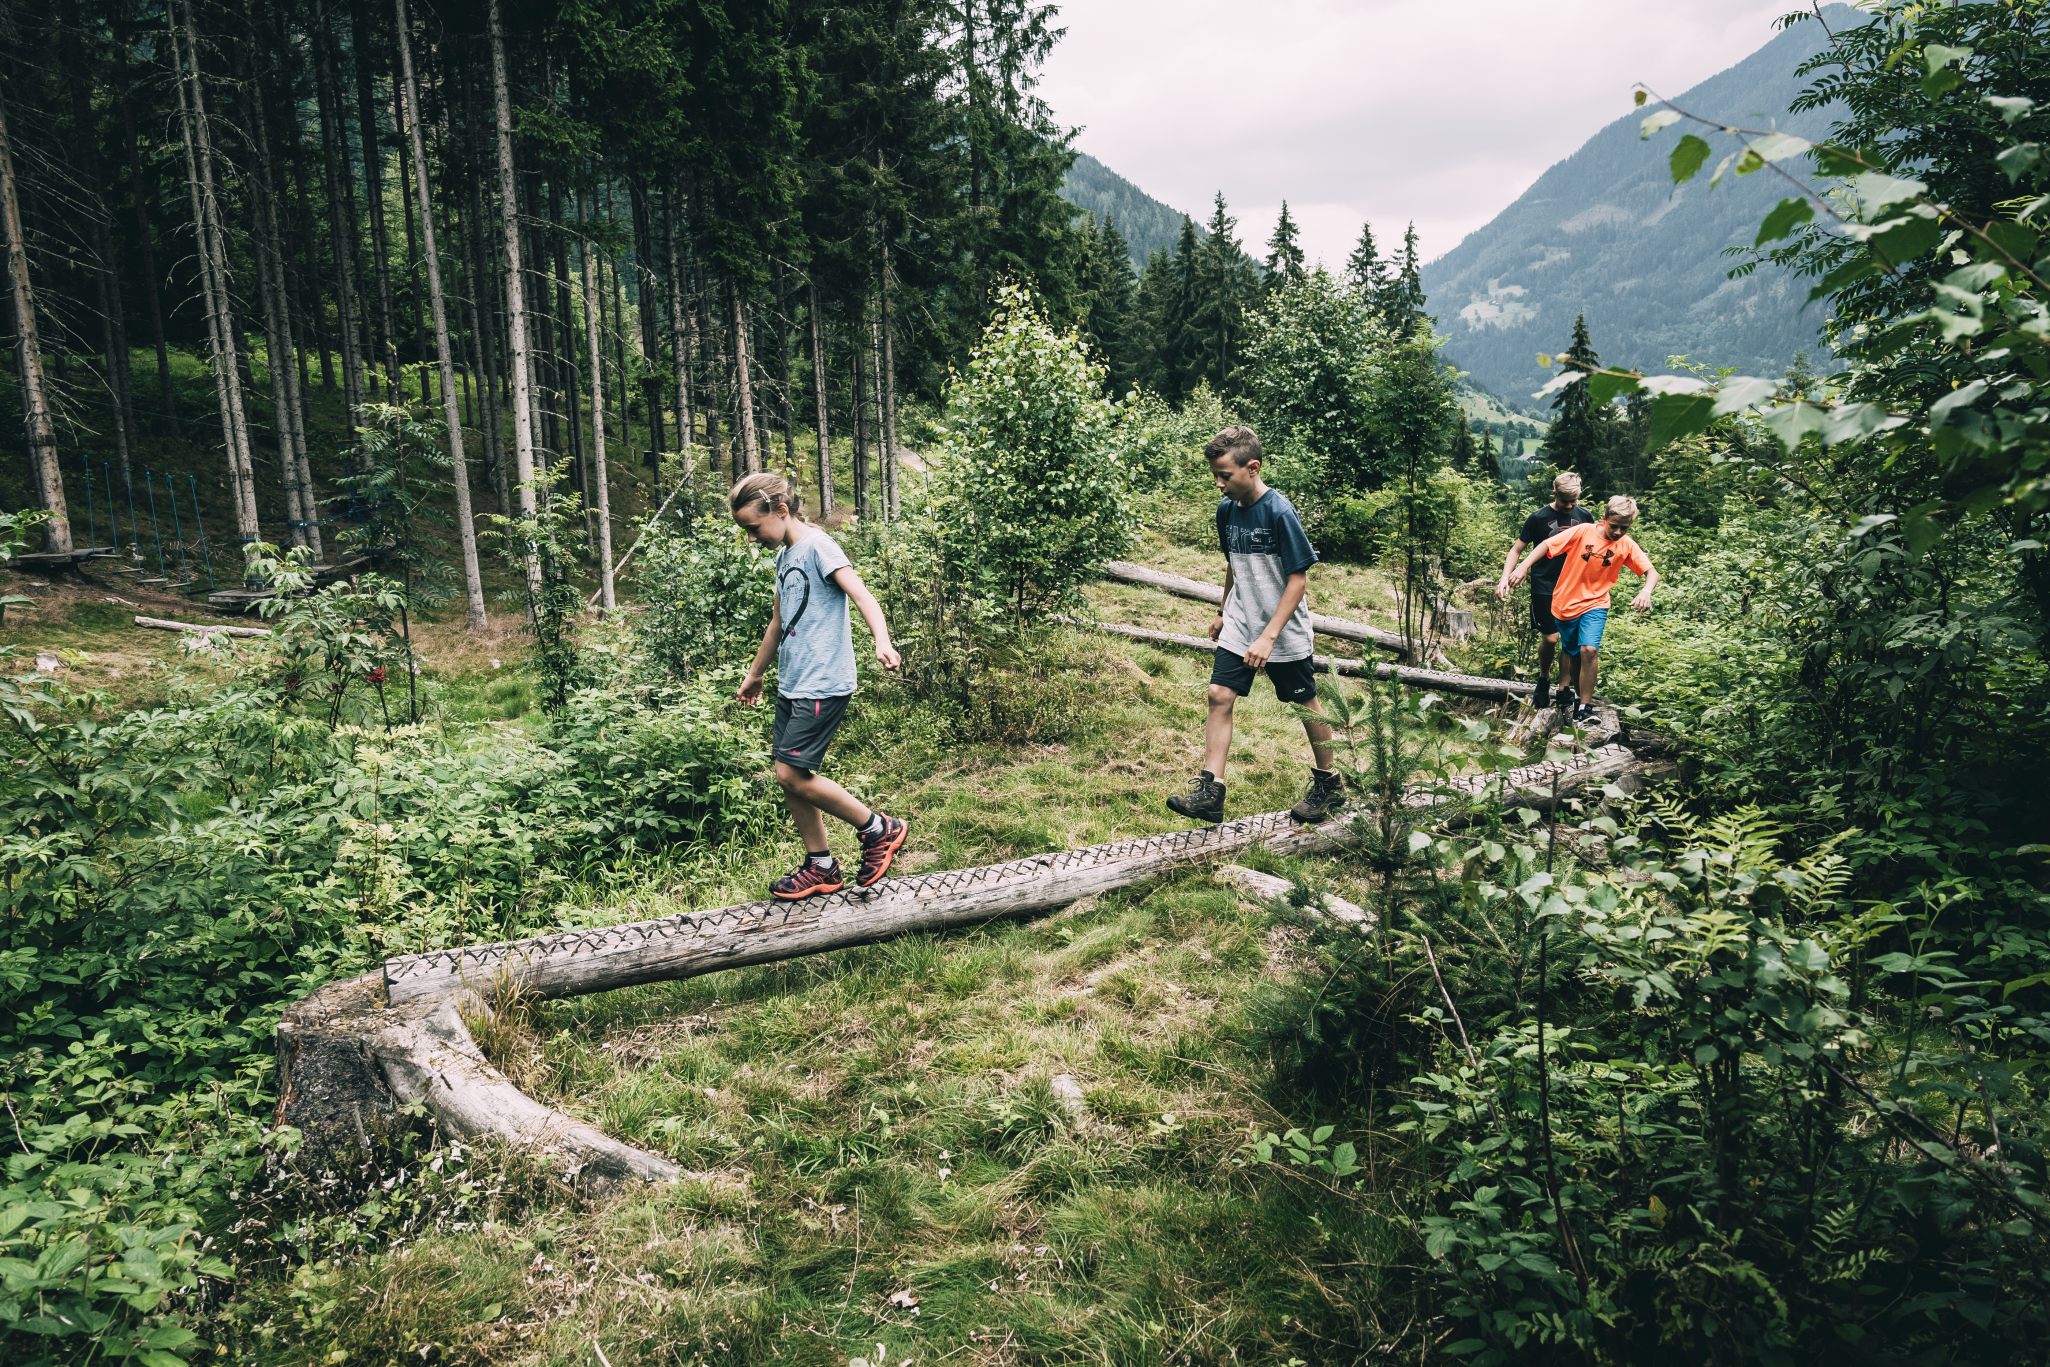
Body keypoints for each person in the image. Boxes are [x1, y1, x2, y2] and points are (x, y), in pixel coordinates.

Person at [731, 472, 909, 899]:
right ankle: (821, 865)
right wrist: (755, 674)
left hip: (823, 682)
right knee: (792, 773)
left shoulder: (818, 547)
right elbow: (778, 623)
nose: (753, 538)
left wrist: (882, 641)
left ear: (781, 510)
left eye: (754, 528)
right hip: (794, 683)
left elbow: (862, 594)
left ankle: (878, 828)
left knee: (790, 772)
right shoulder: (785, 556)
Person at [1166, 425, 1343, 826]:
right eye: (1215, 475)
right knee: (1218, 694)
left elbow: (1298, 579)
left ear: (1253, 468)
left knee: (1304, 702)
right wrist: (1224, 609)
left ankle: (1330, 785)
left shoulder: (1279, 511)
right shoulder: (1226, 511)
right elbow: (1235, 564)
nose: (1218, 484)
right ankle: (1211, 791)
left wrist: (1268, 637)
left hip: (1283, 630)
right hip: (1242, 622)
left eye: (1224, 475)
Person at [1505, 494, 1660, 724]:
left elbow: (1652, 573)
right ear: (1603, 518)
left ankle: (1585, 707)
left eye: (1624, 528)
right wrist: (1523, 567)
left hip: (1596, 603)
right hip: (1566, 603)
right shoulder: (1583, 531)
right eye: (1614, 526)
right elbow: (1547, 544)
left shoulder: (1626, 545)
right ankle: (1576, 696)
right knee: (1573, 653)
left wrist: (1646, 591)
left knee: (1589, 650)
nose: (1618, 532)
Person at [1495, 472, 1595, 710]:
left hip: (1574, 586)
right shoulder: (1538, 517)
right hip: (1544, 585)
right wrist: (1505, 577)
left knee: (1570, 640)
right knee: (1551, 638)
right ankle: (1543, 677)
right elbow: (1516, 549)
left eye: (1574, 501)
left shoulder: (1585, 516)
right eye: (1564, 502)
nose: (1569, 506)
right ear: (1554, 494)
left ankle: (1564, 687)